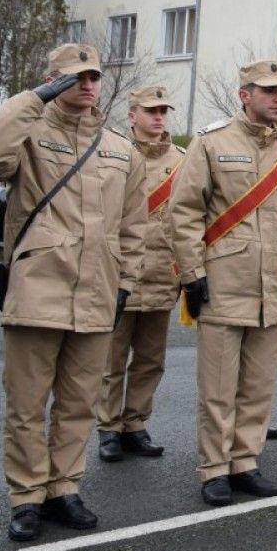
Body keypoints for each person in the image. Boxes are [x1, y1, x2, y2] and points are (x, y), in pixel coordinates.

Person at [0, 44, 147, 542]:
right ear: (53, 81)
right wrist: (33, 99)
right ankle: (26, 496)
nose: (86, 85)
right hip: (37, 288)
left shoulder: (120, 148)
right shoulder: (29, 133)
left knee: (79, 402)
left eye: (93, 77)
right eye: (74, 77)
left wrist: (125, 284)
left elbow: (134, 227)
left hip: (98, 290)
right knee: (26, 405)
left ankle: (64, 488)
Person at [169, 59, 277, 507]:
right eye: (267, 90)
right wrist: (192, 274)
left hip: (271, 286)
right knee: (218, 386)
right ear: (244, 95)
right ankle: (214, 468)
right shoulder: (211, 142)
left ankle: (244, 462)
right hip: (222, 282)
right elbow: (185, 211)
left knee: (257, 385)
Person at [96, 86, 185, 462]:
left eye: (163, 110)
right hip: (120, 275)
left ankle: (135, 423)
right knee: (111, 360)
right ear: (132, 116)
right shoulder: (113, 154)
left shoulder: (182, 161)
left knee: (151, 359)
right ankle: (108, 426)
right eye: (151, 111)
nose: (159, 117)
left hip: (163, 274)